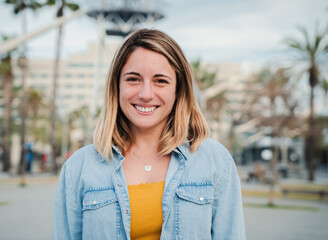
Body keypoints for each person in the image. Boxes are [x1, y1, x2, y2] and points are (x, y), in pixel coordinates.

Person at [53, 29, 246, 240]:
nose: (145, 94)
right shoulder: (78, 168)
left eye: (160, 81)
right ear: (116, 86)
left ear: (178, 90)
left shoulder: (215, 161)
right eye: (134, 79)